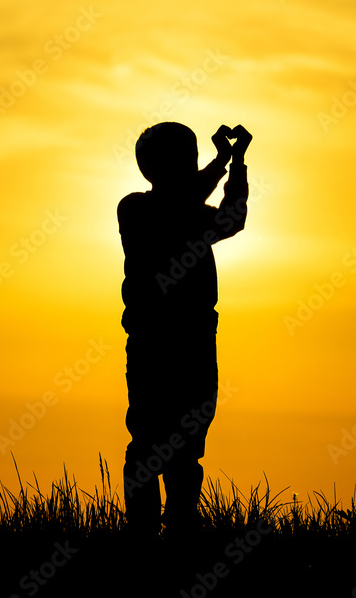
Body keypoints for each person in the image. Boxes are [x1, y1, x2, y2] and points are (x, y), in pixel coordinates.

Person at [117, 121, 251, 536]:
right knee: (147, 440)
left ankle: (180, 533)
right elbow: (179, 205)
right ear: (152, 167)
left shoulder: (191, 213)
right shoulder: (135, 208)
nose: (188, 167)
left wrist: (236, 164)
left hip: (195, 340)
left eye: (190, 158)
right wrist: (220, 163)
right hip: (154, 343)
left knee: (187, 444)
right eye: (180, 159)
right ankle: (142, 536)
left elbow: (234, 218)